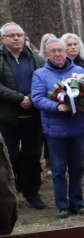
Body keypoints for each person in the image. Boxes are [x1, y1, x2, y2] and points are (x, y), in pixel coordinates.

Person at [31, 38, 84, 217]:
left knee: (77, 168)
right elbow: (38, 98)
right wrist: (57, 106)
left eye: (60, 51)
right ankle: (62, 205)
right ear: (46, 54)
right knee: (58, 170)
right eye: (53, 51)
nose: (57, 54)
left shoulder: (78, 71)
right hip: (55, 130)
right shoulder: (40, 74)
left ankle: (77, 203)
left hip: (77, 128)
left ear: (66, 52)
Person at [0, 22, 46, 210]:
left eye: (19, 34)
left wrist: (32, 99)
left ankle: (32, 192)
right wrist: (20, 98)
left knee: (33, 155)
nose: (17, 38)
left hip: (33, 117)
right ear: (3, 39)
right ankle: (14, 190)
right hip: (6, 117)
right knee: (11, 156)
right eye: (12, 35)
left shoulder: (37, 59)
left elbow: (45, 81)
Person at [60, 33, 84, 187]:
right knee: (70, 142)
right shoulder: (60, 64)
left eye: (75, 44)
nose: (72, 47)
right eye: (69, 45)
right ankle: (71, 171)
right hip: (67, 111)